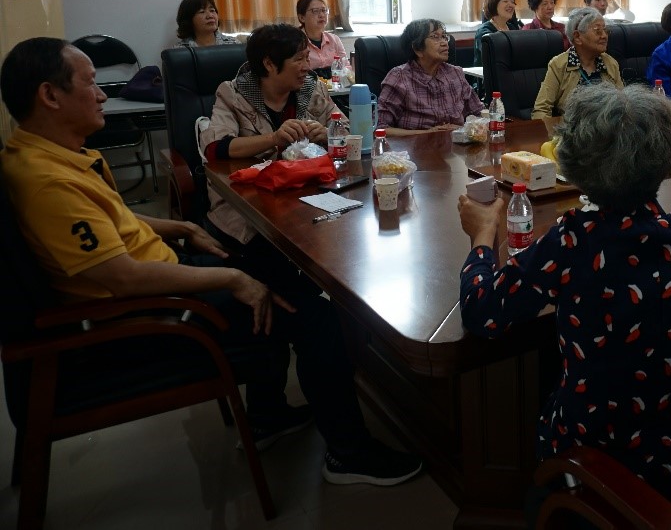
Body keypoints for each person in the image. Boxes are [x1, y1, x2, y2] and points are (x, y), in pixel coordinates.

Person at [0, 37, 422, 486]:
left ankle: (267, 417)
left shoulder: (46, 156)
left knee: (276, 277)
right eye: (90, 83)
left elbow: (111, 219)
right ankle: (349, 454)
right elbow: (123, 278)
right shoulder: (49, 184)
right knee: (314, 316)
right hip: (148, 317)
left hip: (159, 282)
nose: (103, 94)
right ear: (50, 95)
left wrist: (179, 227)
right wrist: (234, 280)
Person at [457, 84, 671, 507]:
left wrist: (483, 235)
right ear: (667, 157)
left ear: (574, 164)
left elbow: (482, 312)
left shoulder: (574, 241)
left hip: (595, 463)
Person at [200, 24, 336, 251]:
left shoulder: (313, 90)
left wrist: (328, 134)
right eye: (299, 59)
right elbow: (215, 148)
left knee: (335, 241)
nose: (307, 66)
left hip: (307, 197)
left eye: (307, 57)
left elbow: (348, 132)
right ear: (269, 64)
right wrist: (273, 139)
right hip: (250, 204)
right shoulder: (233, 94)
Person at [378, 18, 484, 134]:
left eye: (444, 37)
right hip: (416, 145)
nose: (445, 43)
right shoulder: (399, 78)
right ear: (417, 49)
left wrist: (462, 129)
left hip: (456, 144)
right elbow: (381, 128)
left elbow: (479, 114)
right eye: (435, 37)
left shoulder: (455, 74)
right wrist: (428, 133)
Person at [532, 7, 622, 118]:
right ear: (577, 37)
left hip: (607, 125)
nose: (604, 36)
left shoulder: (610, 63)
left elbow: (622, 104)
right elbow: (541, 110)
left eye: (606, 30)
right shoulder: (559, 65)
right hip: (570, 126)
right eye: (598, 31)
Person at [297, 0, 347, 79]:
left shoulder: (334, 39)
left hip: (335, 85)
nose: (322, 15)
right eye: (315, 11)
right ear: (302, 17)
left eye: (324, 10)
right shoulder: (295, 41)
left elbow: (345, 67)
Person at [472, 0, 521, 65]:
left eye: (512, 2)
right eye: (505, 1)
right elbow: (495, 55)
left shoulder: (512, 28)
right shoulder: (484, 31)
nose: (511, 5)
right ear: (493, 4)